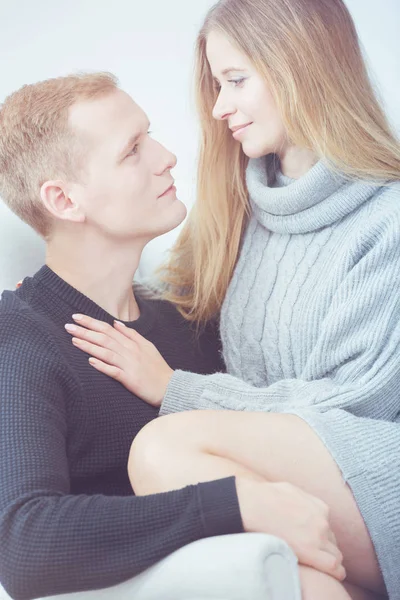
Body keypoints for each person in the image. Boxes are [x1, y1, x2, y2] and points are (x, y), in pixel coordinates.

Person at [68, 1, 400, 599]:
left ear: (302, 66)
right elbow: (180, 309)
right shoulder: (241, 211)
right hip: (306, 490)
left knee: (165, 449)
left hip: (378, 474)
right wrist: (62, 292)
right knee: (281, 571)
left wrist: (181, 392)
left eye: (236, 81)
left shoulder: (388, 216)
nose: (220, 107)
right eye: (217, 84)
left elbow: (361, 402)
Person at [0, 73, 342, 600]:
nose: (166, 157)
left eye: (149, 136)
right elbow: (24, 544)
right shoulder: (19, 336)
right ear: (64, 200)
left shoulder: (185, 324)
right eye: (133, 150)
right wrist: (236, 504)